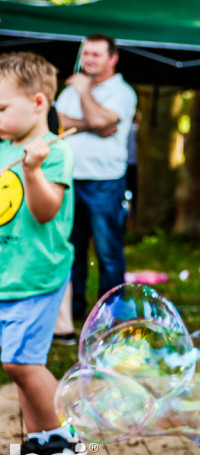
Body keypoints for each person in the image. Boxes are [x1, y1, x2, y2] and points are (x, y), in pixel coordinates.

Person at [0, 52, 83, 455]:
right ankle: (40, 448)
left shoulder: (55, 152)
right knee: (20, 365)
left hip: (36, 276)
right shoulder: (1, 148)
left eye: (0, 108)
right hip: (5, 274)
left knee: (20, 362)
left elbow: (46, 210)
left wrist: (32, 170)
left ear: (37, 102)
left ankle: (64, 442)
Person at [55, 33, 137, 320]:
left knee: (108, 252)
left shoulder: (122, 92)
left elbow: (104, 120)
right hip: (68, 179)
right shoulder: (68, 91)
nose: (87, 59)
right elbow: (59, 122)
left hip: (105, 181)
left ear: (112, 59)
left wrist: (83, 91)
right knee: (71, 252)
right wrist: (93, 124)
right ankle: (75, 311)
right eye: (86, 53)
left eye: (95, 54)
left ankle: (111, 316)